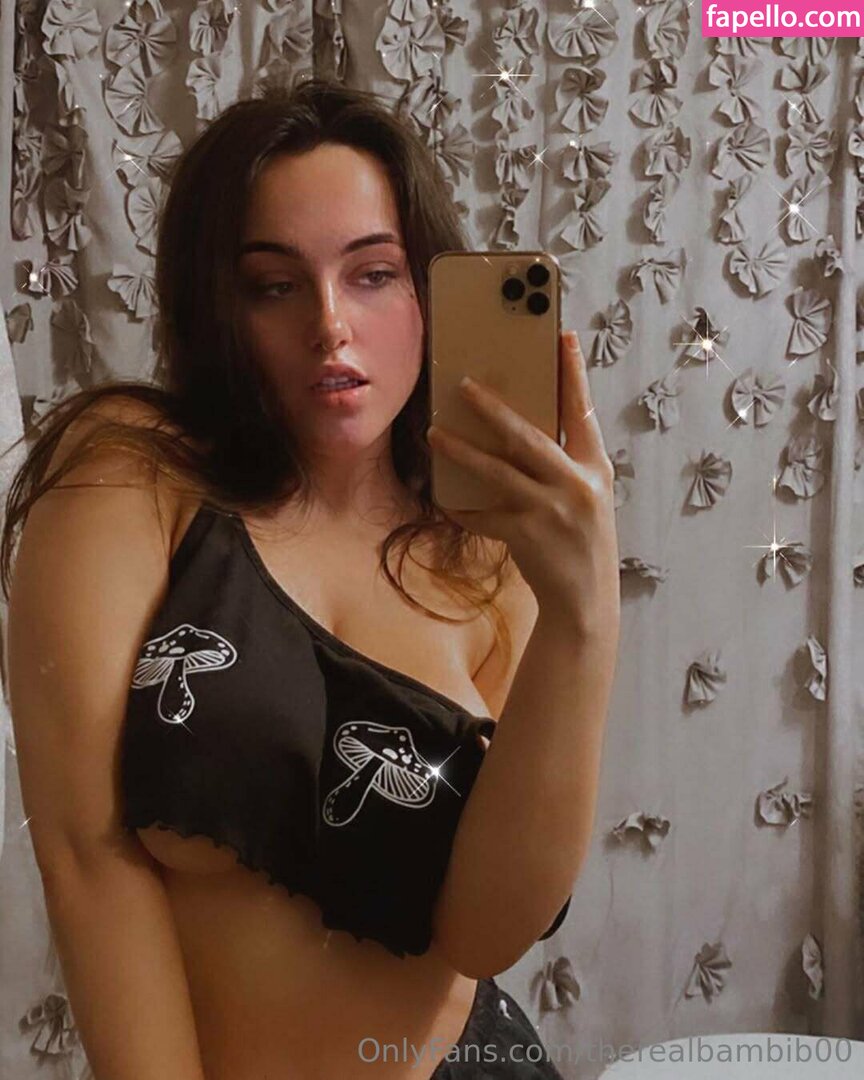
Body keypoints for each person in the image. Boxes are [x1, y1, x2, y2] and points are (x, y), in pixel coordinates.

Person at [3, 79, 620, 1079]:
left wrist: (584, 616)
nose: (331, 326)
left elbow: (484, 934)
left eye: (373, 275)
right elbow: (86, 856)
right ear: (219, 307)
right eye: (274, 286)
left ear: (429, 293)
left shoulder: (488, 555)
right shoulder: (133, 476)